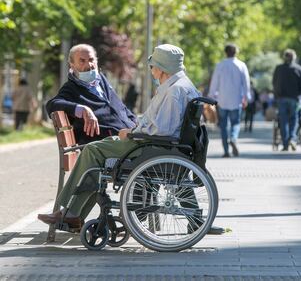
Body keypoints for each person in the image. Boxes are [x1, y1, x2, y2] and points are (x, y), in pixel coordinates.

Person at [38, 44, 224, 235]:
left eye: (152, 66)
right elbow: (161, 125)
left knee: (92, 152)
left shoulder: (173, 91)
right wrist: (136, 128)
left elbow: (161, 130)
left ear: (161, 68)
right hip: (156, 143)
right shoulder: (183, 85)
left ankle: (70, 213)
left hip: (147, 145)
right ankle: (71, 214)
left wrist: (134, 132)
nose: (151, 70)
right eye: (82, 61)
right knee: (94, 151)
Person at [46, 44, 137, 144]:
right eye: (82, 61)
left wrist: (136, 123)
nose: (88, 65)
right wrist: (82, 109)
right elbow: (52, 105)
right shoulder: (71, 89)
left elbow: (122, 108)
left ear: (96, 61)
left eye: (91, 59)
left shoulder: (101, 80)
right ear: (72, 65)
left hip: (130, 137)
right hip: (110, 145)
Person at [208, 44, 251, 157]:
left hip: (222, 100)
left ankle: (226, 151)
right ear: (236, 52)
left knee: (223, 126)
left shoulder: (220, 65)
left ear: (225, 52)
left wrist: (211, 96)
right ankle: (233, 138)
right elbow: (246, 83)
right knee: (235, 123)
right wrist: (246, 97)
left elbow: (214, 83)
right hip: (236, 100)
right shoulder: (241, 65)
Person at [272, 49, 301, 151]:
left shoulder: (279, 69)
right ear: (294, 57)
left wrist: (277, 95)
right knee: (294, 119)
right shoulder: (298, 69)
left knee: (283, 121)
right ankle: (292, 138)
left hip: (281, 98)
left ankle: (285, 144)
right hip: (294, 98)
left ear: (284, 57)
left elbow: (274, 83)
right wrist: (299, 94)